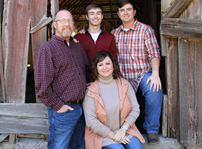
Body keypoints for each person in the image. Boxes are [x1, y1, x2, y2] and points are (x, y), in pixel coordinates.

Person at [34, 9, 91, 149]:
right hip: (62, 110)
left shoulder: (77, 47)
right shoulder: (48, 49)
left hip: (81, 107)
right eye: (62, 21)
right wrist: (59, 107)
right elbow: (42, 87)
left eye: (70, 20)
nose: (67, 24)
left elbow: (87, 70)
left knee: (78, 146)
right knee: (59, 147)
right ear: (54, 24)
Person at [111, 0, 163, 145]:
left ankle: (152, 130)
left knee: (154, 90)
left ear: (134, 12)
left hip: (143, 74)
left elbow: (154, 53)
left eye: (128, 9)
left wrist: (155, 74)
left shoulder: (145, 30)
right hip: (123, 76)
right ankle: (125, 128)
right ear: (118, 14)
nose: (125, 13)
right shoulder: (114, 34)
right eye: (122, 10)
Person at [83, 51, 145, 149]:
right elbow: (91, 121)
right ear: (96, 68)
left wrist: (123, 129)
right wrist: (113, 135)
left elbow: (135, 109)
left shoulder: (124, 84)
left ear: (113, 65)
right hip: (102, 136)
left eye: (108, 63)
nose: (105, 67)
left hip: (126, 131)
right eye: (100, 64)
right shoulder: (91, 91)